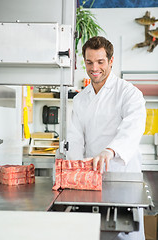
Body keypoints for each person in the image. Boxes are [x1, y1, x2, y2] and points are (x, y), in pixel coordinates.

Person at [67, 36, 146, 240]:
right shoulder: (80, 99)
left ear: (111, 61)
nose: (95, 68)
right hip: (90, 179)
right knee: (93, 233)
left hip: (122, 176)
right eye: (89, 62)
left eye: (100, 62)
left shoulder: (129, 93)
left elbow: (134, 127)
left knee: (125, 233)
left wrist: (110, 150)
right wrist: (74, 171)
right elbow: (75, 138)